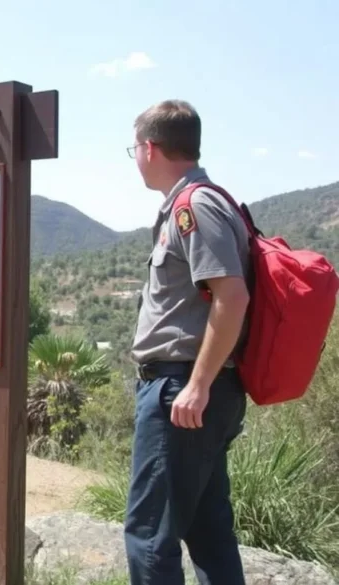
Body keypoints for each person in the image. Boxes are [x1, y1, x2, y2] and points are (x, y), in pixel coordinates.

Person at [125, 100, 250, 585]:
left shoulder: (194, 206)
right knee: (207, 529)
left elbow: (231, 297)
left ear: (150, 147)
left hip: (184, 393)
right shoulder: (196, 202)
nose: (135, 158)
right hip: (193, 392)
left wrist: (196, 385)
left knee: (149, 533)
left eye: (133, 148)